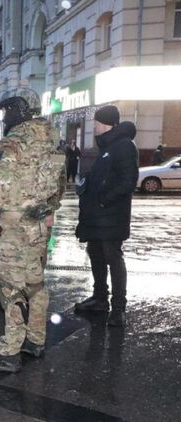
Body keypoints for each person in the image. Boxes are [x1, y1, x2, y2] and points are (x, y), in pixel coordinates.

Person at [0, 96, 66, 373]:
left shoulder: (11, 145)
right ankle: (36, 340)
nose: (4, 119)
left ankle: (10, 351)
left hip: (12, 227)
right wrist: (48, 209)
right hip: (37, 224)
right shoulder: (50, 141)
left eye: (6, 113)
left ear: (17, 112)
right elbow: (61, 183)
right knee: (35, 284)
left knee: (11, 288)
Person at [75, 105, 138, 327]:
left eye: (97, 123)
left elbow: (128, 181)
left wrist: (103, 199)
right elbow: (103, 177)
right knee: (96, 255)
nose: (94, 126)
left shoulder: (124, 146)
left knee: (113, 258)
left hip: (111, 216)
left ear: (107, 124)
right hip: (97, 216)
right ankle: (100, 298)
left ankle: (118, 307)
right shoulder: (107, 146)